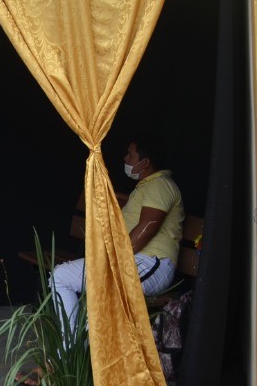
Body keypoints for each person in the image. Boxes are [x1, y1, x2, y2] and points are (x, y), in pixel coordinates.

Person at [49, 136, 185, 328]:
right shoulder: (147, 186)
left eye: (130, 154)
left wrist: (114, 258)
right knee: (61, 276)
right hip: (134, 259)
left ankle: (88, 351)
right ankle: (71, 351)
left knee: (102, 298)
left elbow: (147, 228)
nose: (125, 158)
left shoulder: (160, 185)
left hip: (151, 261)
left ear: (145, 163)